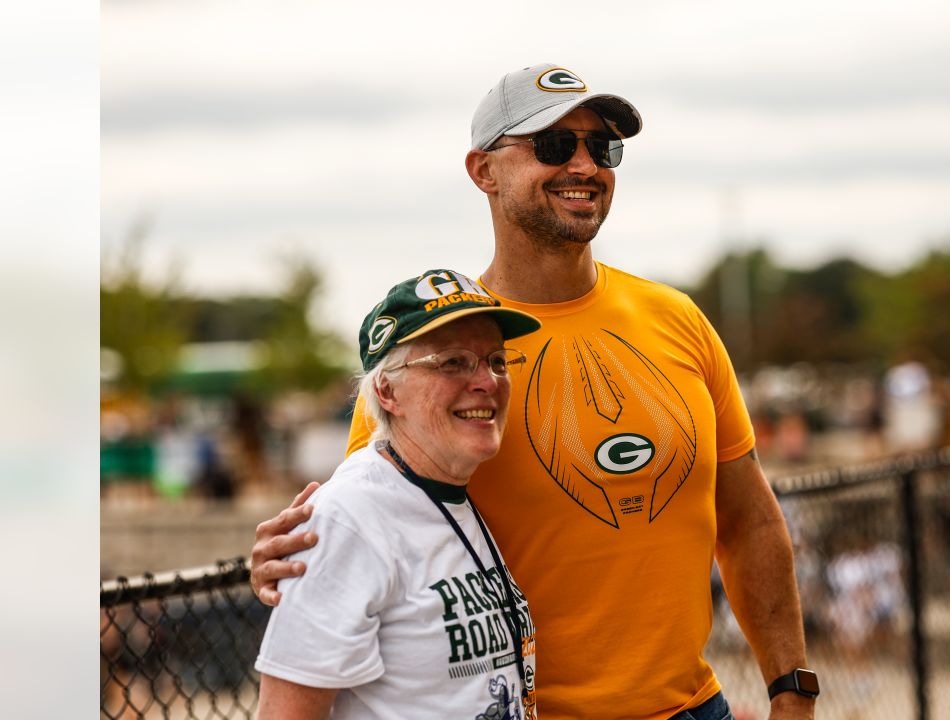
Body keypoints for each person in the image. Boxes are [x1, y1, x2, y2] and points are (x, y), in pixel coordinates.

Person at [251, 64, 817, 720]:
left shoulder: (678, 320)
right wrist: (281, 568)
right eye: (552, 145)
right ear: (483, 171)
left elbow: (748, 518)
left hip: (697, 708)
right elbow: (356, 531)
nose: (584, 164)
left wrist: (791, 687)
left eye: (602, 148)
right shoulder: (434, 364)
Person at [255, 269, 543, 719]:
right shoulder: (348, 517)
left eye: (497, 361)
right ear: (387, 390)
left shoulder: (447, 495)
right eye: (453, 362)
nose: (487, 381)